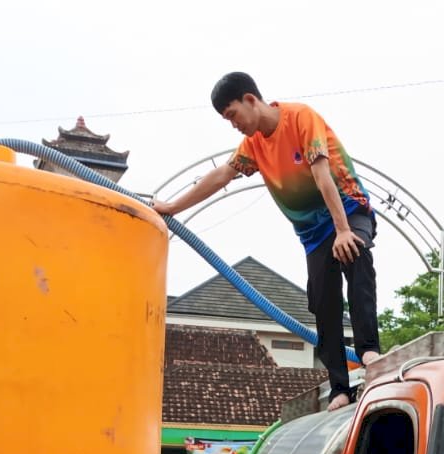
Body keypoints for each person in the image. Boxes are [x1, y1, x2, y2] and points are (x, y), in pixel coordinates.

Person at [153, 72, 381, 411]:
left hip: (347, 209)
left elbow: (321, 174)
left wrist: (344, 229)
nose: (233, 125)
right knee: (322, 300)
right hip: (313, 234)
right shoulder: (254, 145)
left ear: (250, 99)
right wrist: (171, 207)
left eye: (232, 115)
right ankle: (340, 388)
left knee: (353, 254)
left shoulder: (301, 118)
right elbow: (221, 176)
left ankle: (369, 351)